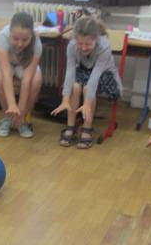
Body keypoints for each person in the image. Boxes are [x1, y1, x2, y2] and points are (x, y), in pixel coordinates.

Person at [51, 16, 122, 149]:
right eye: (80, 44)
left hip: (105, 73)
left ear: (96, 39)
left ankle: (87, 128)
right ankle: (70, 126)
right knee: (75, 87)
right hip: (85, 69)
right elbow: (70, 71)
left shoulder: (104, 46)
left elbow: (95, 76)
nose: (83, 48)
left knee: (87, 88)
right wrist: (65, 100)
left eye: (88, 44)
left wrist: (87, 103)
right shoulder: (72, 45)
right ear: (75, 39)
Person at [0, 12, 43, 138]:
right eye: (15, 39)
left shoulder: (37, 43)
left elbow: (27, 79)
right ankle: (8, 117)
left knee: (36, 80)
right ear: (10, 32)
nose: (19, 44)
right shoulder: (3, 36)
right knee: (0, 79)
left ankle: (20, 120)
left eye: (25, 40)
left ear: (31, 35)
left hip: (22, 62)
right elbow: (6, 74)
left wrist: (21, 109)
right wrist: (12, 104)